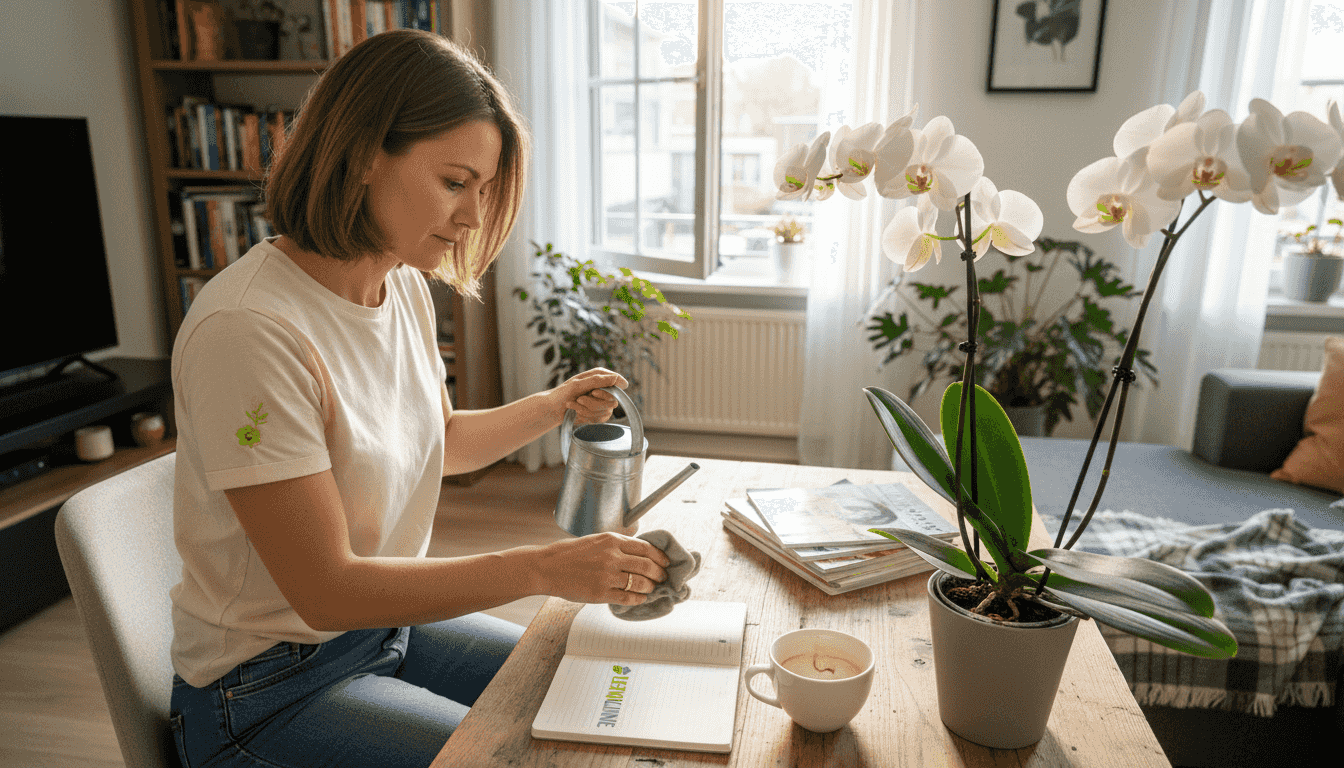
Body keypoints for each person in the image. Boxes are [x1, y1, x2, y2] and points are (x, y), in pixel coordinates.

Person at [167, 29, 671, 768]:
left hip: (385, 627)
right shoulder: (249, 329)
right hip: (265, 692)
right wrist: (542, 568)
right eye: (455, 181)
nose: (472, 216)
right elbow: (328, 591)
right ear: (364, 154)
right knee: (526, 758)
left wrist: (555, 405)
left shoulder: (399, 283)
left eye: (485, 189)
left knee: (597, 683)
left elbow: (440, 440)